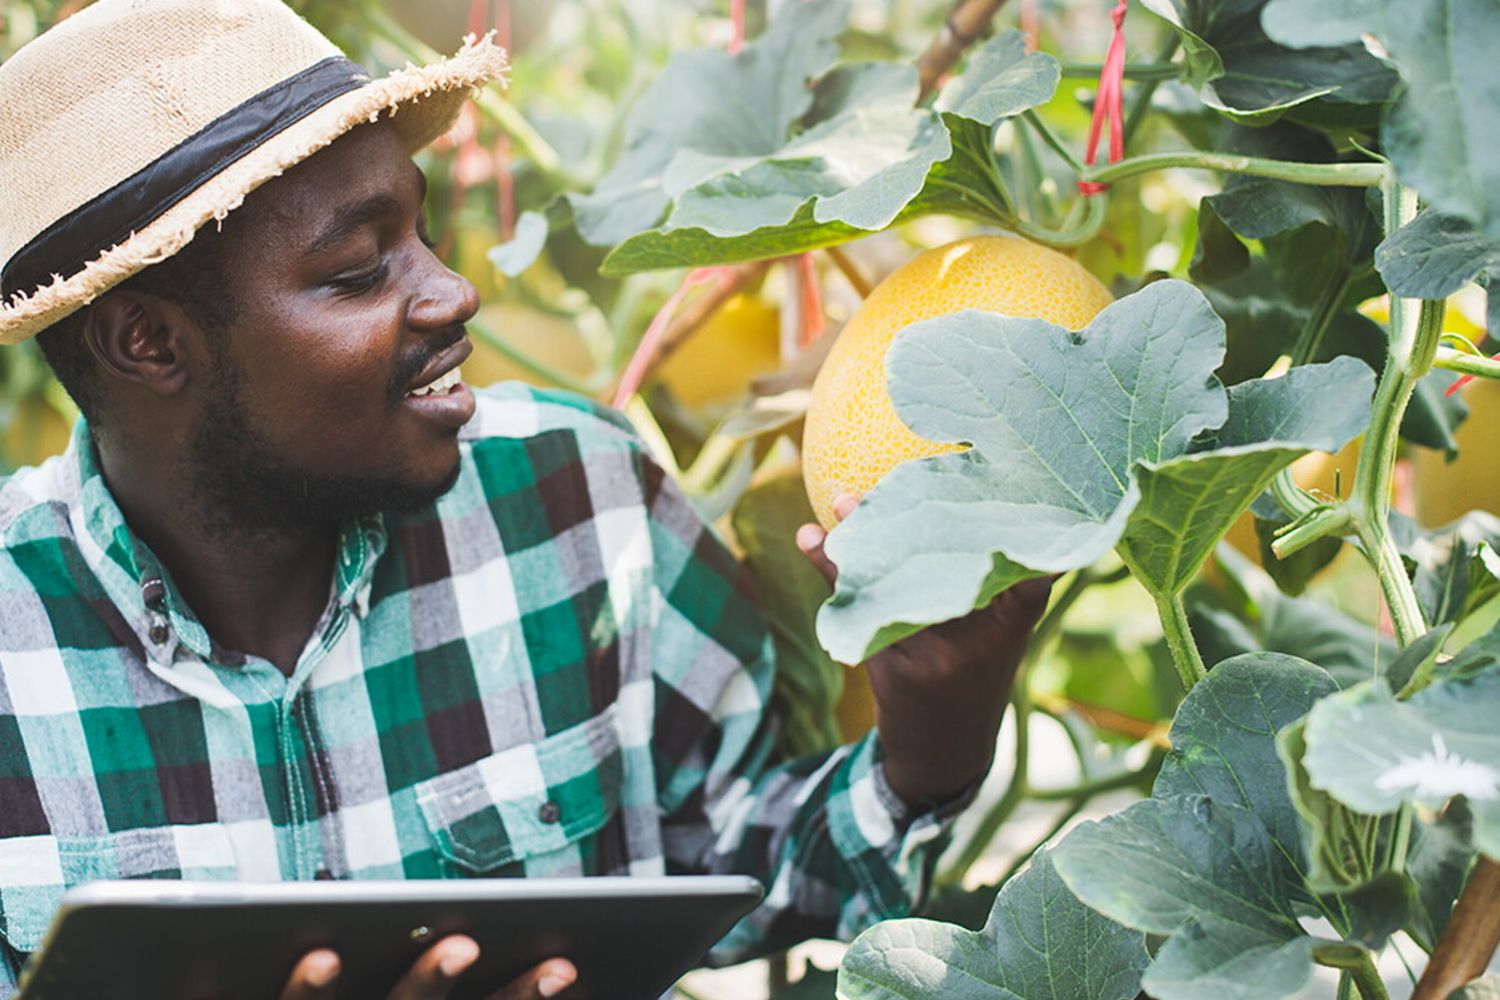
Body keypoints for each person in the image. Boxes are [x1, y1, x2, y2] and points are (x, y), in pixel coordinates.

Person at [0, 1, 1050, 997]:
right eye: (361, 268)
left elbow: (745, 866)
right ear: (148, 343)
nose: (452, 291)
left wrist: (931, 746)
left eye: (424, 231)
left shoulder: (580, 495)